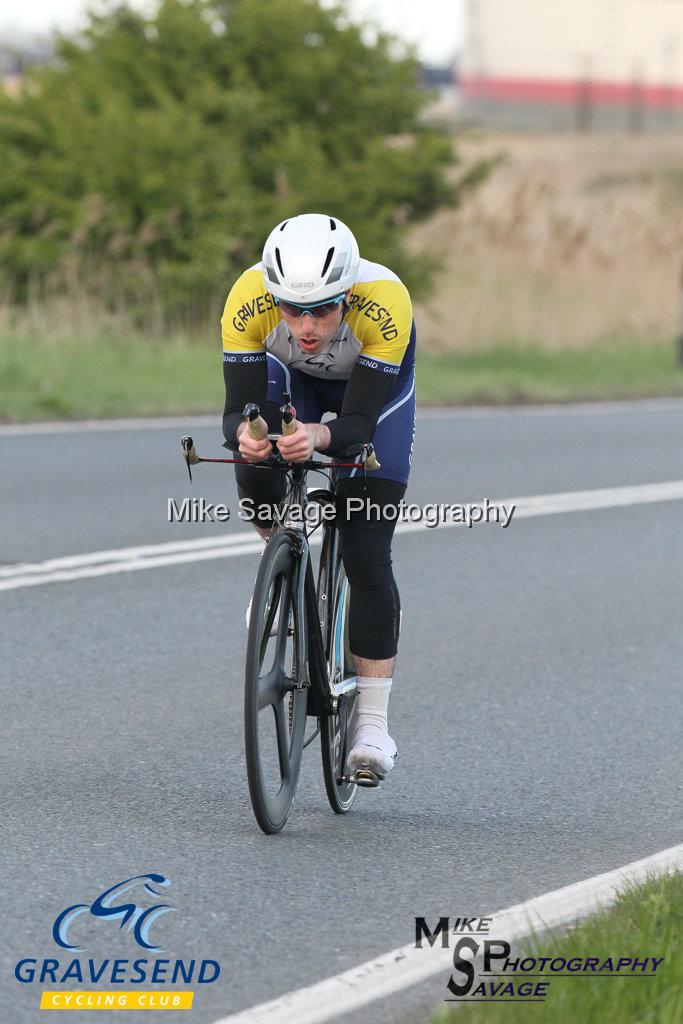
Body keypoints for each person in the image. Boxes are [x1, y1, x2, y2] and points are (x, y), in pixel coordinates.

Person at [221, 213, 416, 781]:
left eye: (323, 309)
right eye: (290, 308)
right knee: (255, 463)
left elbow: (357, 423)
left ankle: (373, 726)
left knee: (366, 548)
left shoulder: (385, 301)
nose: (306, 325)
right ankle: (280, 561)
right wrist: (250, 436)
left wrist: (320, 437)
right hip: (293, 380)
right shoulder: (247, 296)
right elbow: (238, 410)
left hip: (372, 394)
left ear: (348, 292)